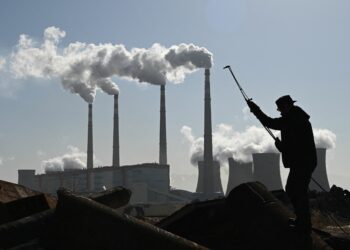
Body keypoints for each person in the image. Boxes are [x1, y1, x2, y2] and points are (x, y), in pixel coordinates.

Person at [248, 95, 317, 248]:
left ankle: (304, 224)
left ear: (286, 106)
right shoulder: (295, 118)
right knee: (295, 190)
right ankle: (302, 221)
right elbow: (294, 144)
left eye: (280, 108)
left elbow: (271, 123)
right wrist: (282, 147)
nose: (279, 111)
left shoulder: (293, 119)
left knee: (295, 190)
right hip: (303, 161)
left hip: (302, 162)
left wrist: (256, 109)